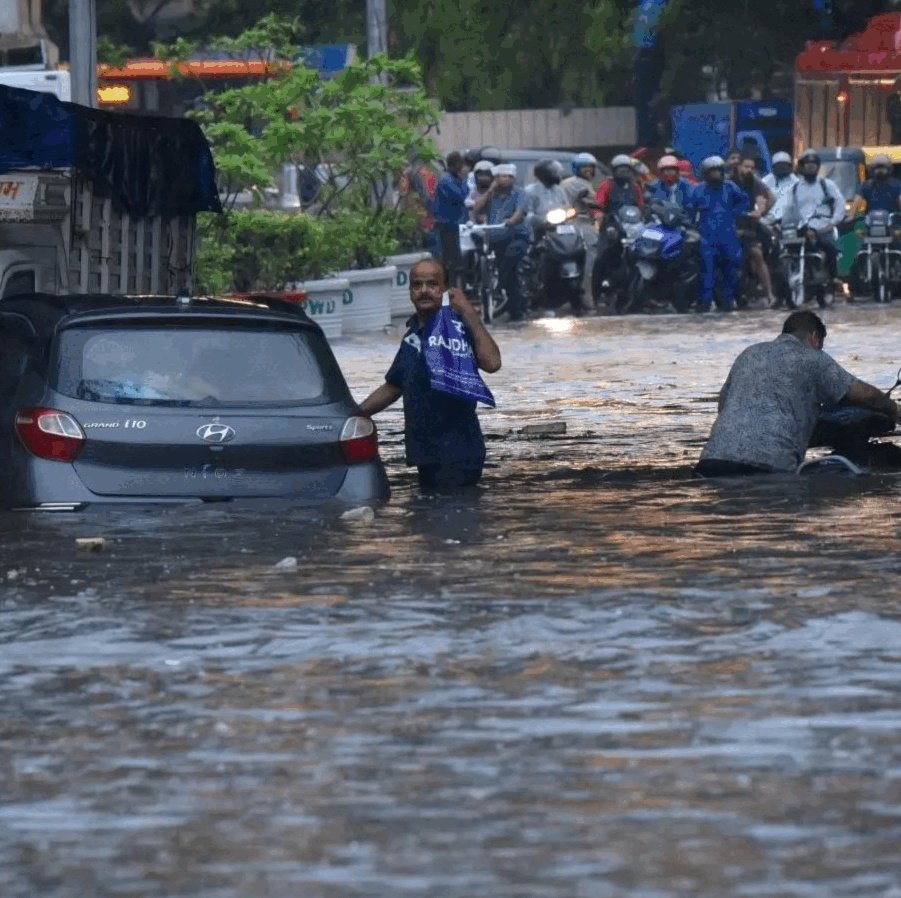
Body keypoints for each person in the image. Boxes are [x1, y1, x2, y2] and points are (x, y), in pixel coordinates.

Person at [696, 310, 899, 476]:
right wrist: (896, 411)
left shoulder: (749, 354)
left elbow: (723, 405)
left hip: (710, 463)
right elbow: (867, 395)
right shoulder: (813, 358)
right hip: (767, 468)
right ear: (814, 337)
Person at [359, 259, 501, 491]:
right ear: (410, 292)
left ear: (446, 290)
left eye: (432, 284)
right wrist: (356, 413)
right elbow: (395, 385)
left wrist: (469, 312)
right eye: (417, 285)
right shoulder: (412, 335)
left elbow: (492, 363)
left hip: (459, 452)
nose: (424, 290)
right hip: (426, 453)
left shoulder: (457, 328)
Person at [686, 155, 749, 312]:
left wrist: (735, 213)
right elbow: (690, 210)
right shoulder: (698, 190)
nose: (717, 174)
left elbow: (744, 201)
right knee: (707, 269)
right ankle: (705, 302)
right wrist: (693, 226)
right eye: (713, 171)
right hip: (707, 235)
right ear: (706, 173)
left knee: (732, 266)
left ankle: (728, 301)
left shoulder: (730, 187)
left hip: (728, 234)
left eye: (719, 171)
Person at [471, 163, 530, 321]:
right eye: (503, 176)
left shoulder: (519, 193)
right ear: (495, 178)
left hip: (516, 237)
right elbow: (476, 209)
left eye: (510, 177)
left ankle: (513, 301)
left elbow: (520, 212)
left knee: (509, 264)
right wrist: (490, 191)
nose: (506, 179)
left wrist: (511, 221)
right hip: (495, 239)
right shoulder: (491, 195)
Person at [780, 150, 845, 287]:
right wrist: (784, 224)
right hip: (802, 229)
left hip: (823, 228)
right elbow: (788, 209)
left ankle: (833, 277)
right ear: (802, 167)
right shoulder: (795, 188)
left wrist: (832, 223)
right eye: (807, 164)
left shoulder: (827, 184)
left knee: (829, 248)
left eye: (813, 165)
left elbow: (840, 204)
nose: (810, 167)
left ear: (818, 167)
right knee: (786, 251)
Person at [730, 154, 778, 307]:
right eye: (746, 166)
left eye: (752, 167)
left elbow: (768, 198)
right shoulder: (730, 182)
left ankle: (769, 294)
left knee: (757, 254)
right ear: (739, 167)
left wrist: (760, 212)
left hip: (749, 224)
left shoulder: (754, 182)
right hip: (730, 225)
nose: (749, 170)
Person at [561, 152, 602, 312]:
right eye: (583, 167)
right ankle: (587, 297)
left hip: (574, 223)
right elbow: (596, 202)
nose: (587, 170)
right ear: (576, 169)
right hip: (578, 222)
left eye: (590, 167)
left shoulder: (584, 183)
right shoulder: (574, 184)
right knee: (590, 259)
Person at [433, 151, 471, 286]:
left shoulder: (451, 179)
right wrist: (464, 179)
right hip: (449, 225)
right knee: (451, 260)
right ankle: (451, 287)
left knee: (457, 260)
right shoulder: (447, 181)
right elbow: (462, 195)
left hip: (456, 224)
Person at [846, 153, 901, 220]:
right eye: (877, 168)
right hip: (870, 222)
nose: (880, 170)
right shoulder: (866, 186)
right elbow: (857, 201)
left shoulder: (897, 185)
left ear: (889, 170)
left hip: (892, 222)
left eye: (883, 168)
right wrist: (851, 215)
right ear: (872, 170)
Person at [761, 151, 799, 225]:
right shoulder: (765, 181)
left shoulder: (796, 182)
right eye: (779, 165)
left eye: (784, 165)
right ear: (773, 167)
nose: (782, 168)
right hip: (767, 221)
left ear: (790, 166)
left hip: (788, 222)